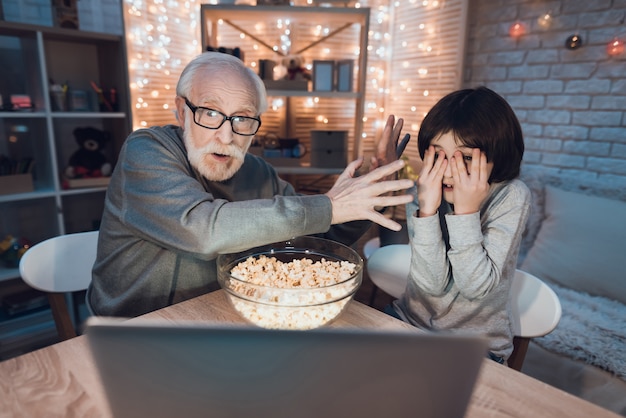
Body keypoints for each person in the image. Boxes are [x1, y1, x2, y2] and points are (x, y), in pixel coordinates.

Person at [87, 51, 414, 318]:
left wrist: (370, 193)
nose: (226, 136)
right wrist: (327, 205)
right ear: (181, 112)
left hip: (223, 322)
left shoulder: (259, 173)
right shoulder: (145, 151)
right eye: (210, 113)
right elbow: (201, 230)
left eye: (242, 118)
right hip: (131, 333)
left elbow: (318, 234)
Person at [392, 86, 531, 364]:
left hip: (476, 344)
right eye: (439, 155)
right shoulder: (427, 189)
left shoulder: (511, 196)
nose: (449, 171)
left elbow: (474, 287)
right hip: (409, 322)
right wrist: (427, 211)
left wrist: (466, 212)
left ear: (497, 156)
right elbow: (430, 284)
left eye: (467, 158)